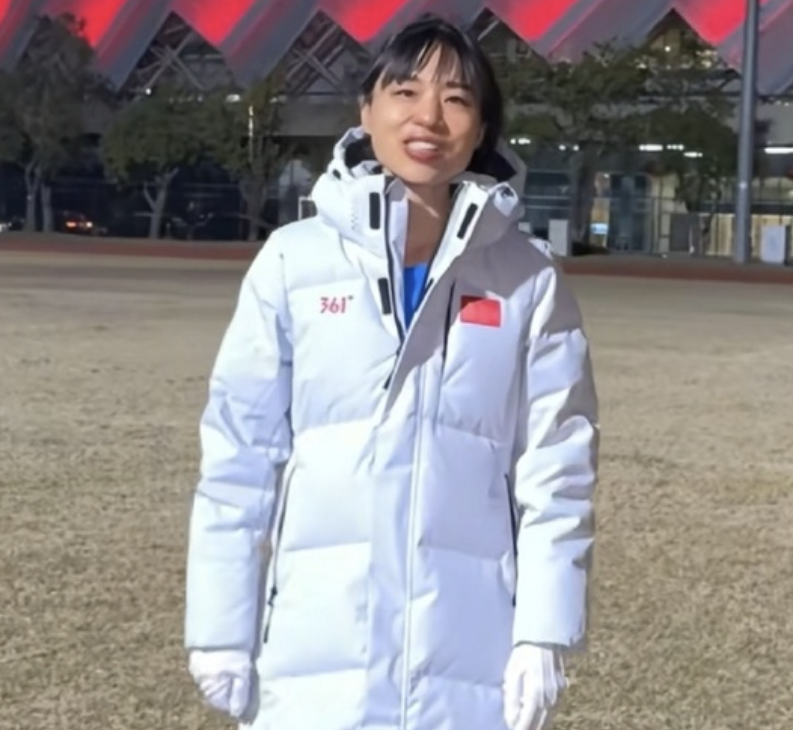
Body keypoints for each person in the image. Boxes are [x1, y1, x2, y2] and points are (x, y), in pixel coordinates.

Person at [184, 16, 600, 730]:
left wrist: (544, 631)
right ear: (367, 110)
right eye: (405, 92)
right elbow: (239, 456)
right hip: (316, 648)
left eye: (457, 99)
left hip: (467, 653)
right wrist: (220, 629)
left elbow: (558, 469)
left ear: (482, 129)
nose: (428, 117)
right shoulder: (293, 261)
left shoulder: (526, 280)